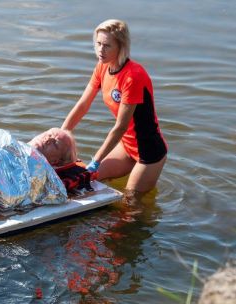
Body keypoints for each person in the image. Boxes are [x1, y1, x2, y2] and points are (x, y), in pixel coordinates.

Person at [61, 19, 167, 194]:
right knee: (86, 178)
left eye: (107, 46)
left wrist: (96, 160)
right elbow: (82, 105)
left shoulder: (133, 76)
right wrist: (62, 135)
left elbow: (120, 126)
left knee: (130, 204)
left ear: (120, 47)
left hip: (148, 152)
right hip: (126, 146)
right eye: (98, 44)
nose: (100, 50)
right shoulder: (102, 67)